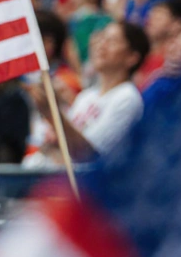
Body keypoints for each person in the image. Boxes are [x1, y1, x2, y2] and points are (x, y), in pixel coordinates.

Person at [29, 22, 149, 163]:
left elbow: (89, 156)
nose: (101, 46)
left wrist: (52, 113)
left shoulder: (127, 98)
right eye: (101, 38)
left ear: (132, 58)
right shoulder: (87, 96)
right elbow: (60, 144)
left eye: (112, 41)